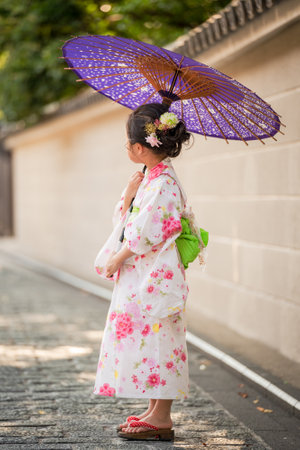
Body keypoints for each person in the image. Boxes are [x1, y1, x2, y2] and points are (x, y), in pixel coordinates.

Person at [93, 102, 193, 441]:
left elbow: (147, 230)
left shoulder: (163, 182)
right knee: (150, 339)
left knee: (161, 337)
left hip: (154, 274)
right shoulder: (152, 177)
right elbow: (132, 220)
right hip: (145, 273)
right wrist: (130, 193)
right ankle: (154, 410)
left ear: (140, 147)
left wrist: (118, 257)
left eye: (127, 142)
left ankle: (162, 416)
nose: (126, 147)